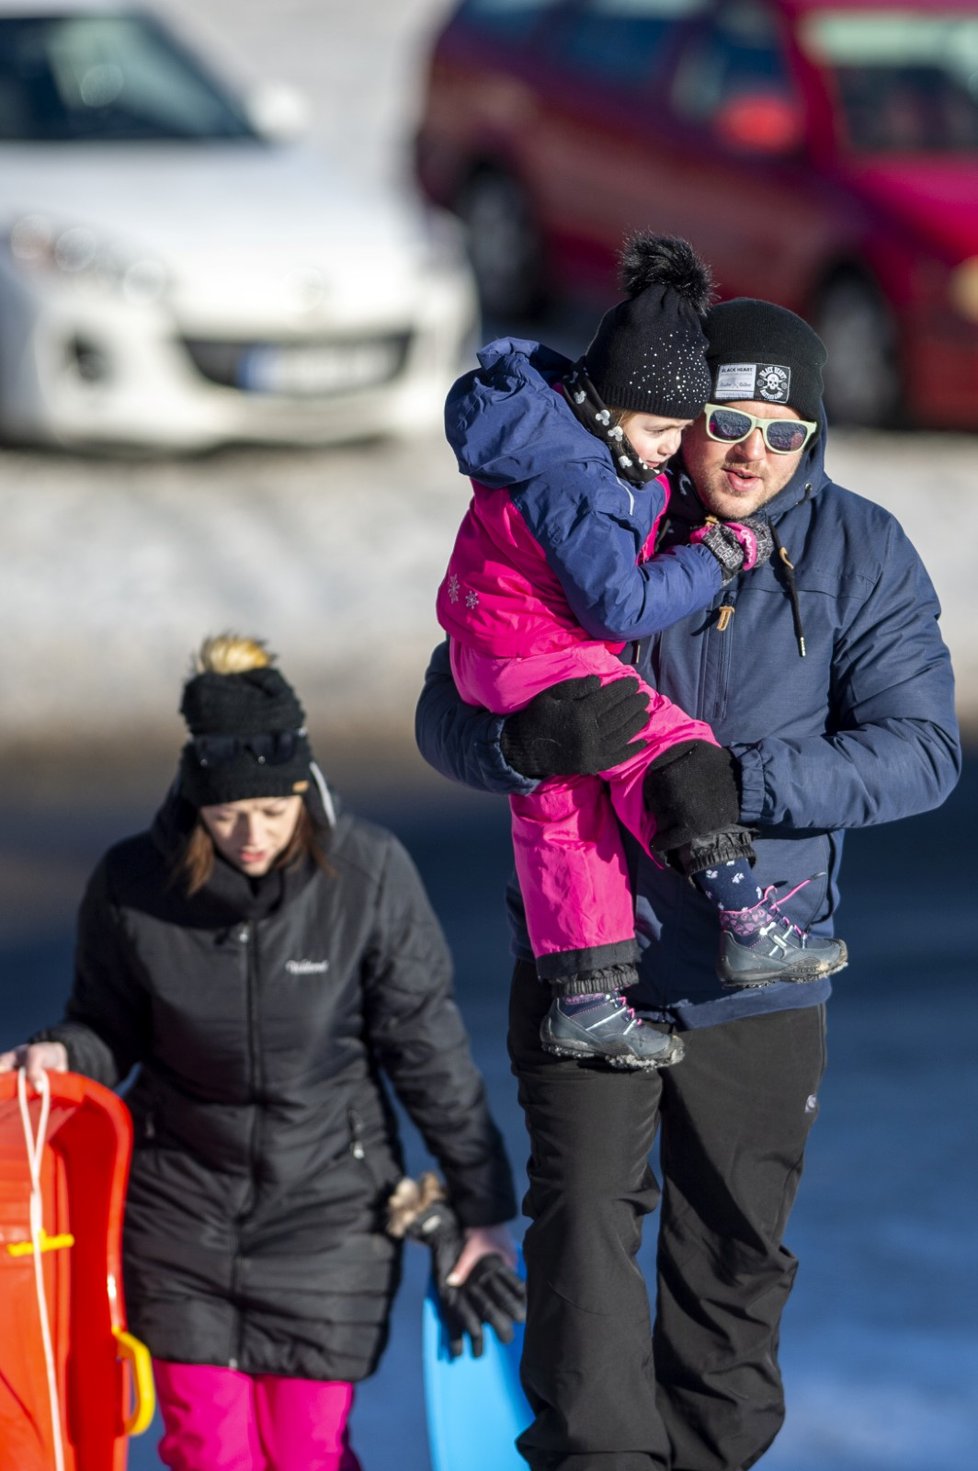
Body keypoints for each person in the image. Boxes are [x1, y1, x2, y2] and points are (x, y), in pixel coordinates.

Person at [416, 298, 961, 1471]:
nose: (753, 452)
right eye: (726, 419)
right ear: (674, 416)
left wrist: (730, 783)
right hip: (586, 965)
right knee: (580, 1253)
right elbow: (448, 702)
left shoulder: (857, 551)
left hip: (758, 975)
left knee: (733, 1271)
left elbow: (923, 752)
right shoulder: (589, 498)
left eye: (787, 430)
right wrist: (520, 748)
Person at [0, 634, 524, 1471]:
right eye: (228, 813)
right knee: (208, 1450)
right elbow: (107, 1025)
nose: (252, 833)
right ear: (196, 800)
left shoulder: (369, 874)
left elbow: (427, 1049)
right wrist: (62, 1054)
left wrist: (483, 1209)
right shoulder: (134, 882)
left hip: (331, 1213)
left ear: (303, 792)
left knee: (307, 1451)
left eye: (274, 812)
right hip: (177, 1214)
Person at [437, 233, 844, 1073]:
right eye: (665, 430)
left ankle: (587, 999)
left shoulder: (559, 438)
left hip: (496, 642)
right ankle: (746, 918)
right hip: (536, 650)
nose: (668, 447)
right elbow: (617, 601)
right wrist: (718, 556)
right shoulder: (579, 481)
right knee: (670, 750)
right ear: (612, 407)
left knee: (565, 814)